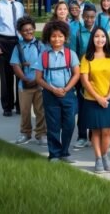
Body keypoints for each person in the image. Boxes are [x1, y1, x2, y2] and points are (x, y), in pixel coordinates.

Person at [34, 20, 80, 162]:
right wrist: (52, 89)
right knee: (53, 125)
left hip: (68, 94)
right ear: (48, 38)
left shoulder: (70, 54)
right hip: (50, 95)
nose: (57, 39)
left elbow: (76, 74)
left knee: (69, 124)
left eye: (60, 36)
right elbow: (38, 78)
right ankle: (54, 154)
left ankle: (64, 152)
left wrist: (66, 89)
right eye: (53, 36)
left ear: (65, 37)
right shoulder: (43, 56)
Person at [79, 27, 110, 173]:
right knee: (96, 131)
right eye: (97, 36)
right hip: (92, 100)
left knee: (108, 131)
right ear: (92, 38)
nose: (100, 39)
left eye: (103, 36)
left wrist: (108, 96)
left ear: (106, 39)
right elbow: (85, 81)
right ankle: (98, 159)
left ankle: (104, 156)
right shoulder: (86, 57)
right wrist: (98, 98)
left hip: (108, 99)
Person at [10, 15, 46, 145]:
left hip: (39, 84)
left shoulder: (40, 45)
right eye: (25, 30)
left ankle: (41, 134)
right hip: (24, 85)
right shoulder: (18, 47)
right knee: (25, 111)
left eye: (30, 29)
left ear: (34, 29)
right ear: (20, 32)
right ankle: (25, 133)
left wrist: (37, 78)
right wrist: (24, 78)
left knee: (40, 111)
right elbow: (15, 65)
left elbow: (45, 62)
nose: (28, 32)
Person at [72, 3, 96, 150]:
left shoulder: (99, 31)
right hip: (82, 75)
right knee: (82, 106)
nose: (89, 19)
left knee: (94, 105)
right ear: (82, 16)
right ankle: (82, 136)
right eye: (86, 16)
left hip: (96, 75)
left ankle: (93, 135)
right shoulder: (78, 32)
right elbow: (74, 55)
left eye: (92, 17)